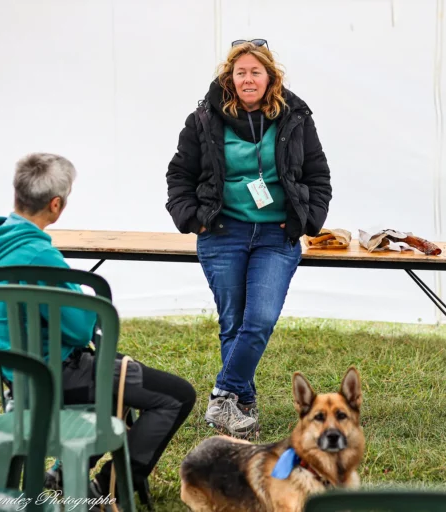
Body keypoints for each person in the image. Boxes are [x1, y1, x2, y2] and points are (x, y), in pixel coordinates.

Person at [0, 153, 196, 500]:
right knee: (177, 395)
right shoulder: (38, 256)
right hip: (54, 377)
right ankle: (107, 488)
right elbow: (80, 329)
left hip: (17, 378)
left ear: (17, 194)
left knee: (122, 366)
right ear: (56, 205)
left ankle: (63, 471)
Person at [166, 39, 332, 438]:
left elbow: (318, 175)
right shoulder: (203, 119)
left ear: (270, 76)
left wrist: (308, 220)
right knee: (233, 322)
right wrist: (193, 219)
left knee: (258, 319)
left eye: (255, 71)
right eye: (240, 72)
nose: (247, 78)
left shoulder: (295, 118)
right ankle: (241, 408)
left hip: (277, 235)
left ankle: (223, 394)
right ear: (230, 78)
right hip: (223, 232)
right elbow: (179, 176)